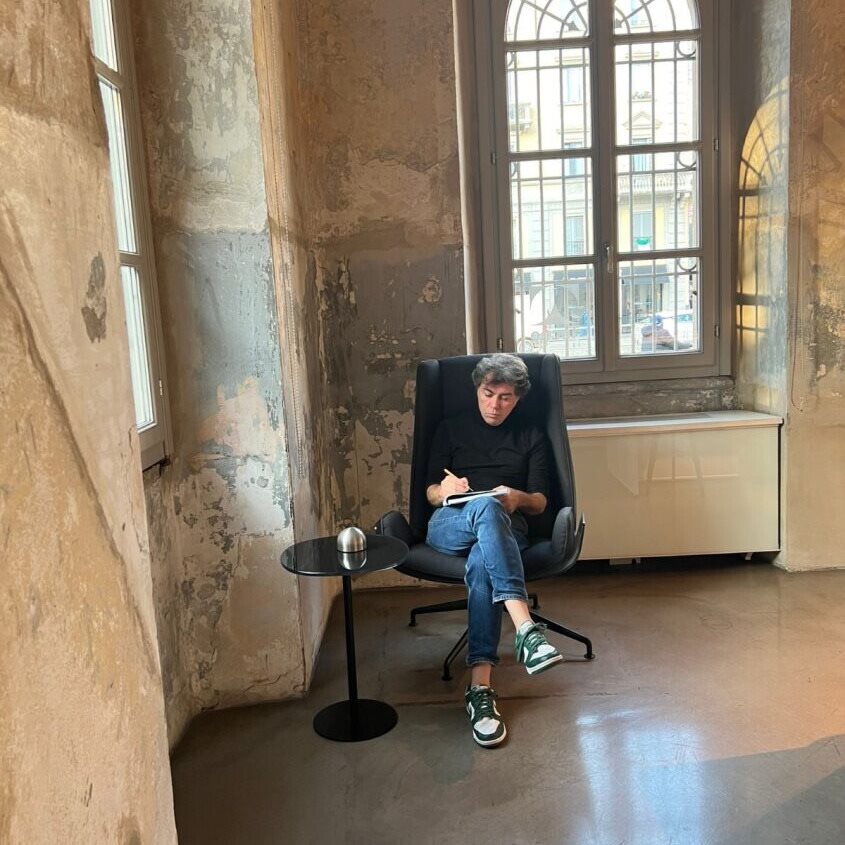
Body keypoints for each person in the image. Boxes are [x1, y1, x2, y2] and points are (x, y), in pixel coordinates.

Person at [425, 353, 561, 747]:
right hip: (451, 523)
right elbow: (429, 493)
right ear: (477, 389)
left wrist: (517, 497)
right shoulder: (450, 429)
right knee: (483, 506)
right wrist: (443, 490)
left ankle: (480, 689)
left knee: (483, 558)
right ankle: (526, 629)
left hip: (507, 527)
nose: (495, 405)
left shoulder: (531, 435)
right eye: (488, 394)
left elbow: (540, 502)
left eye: (505, 398)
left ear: (517, 398)